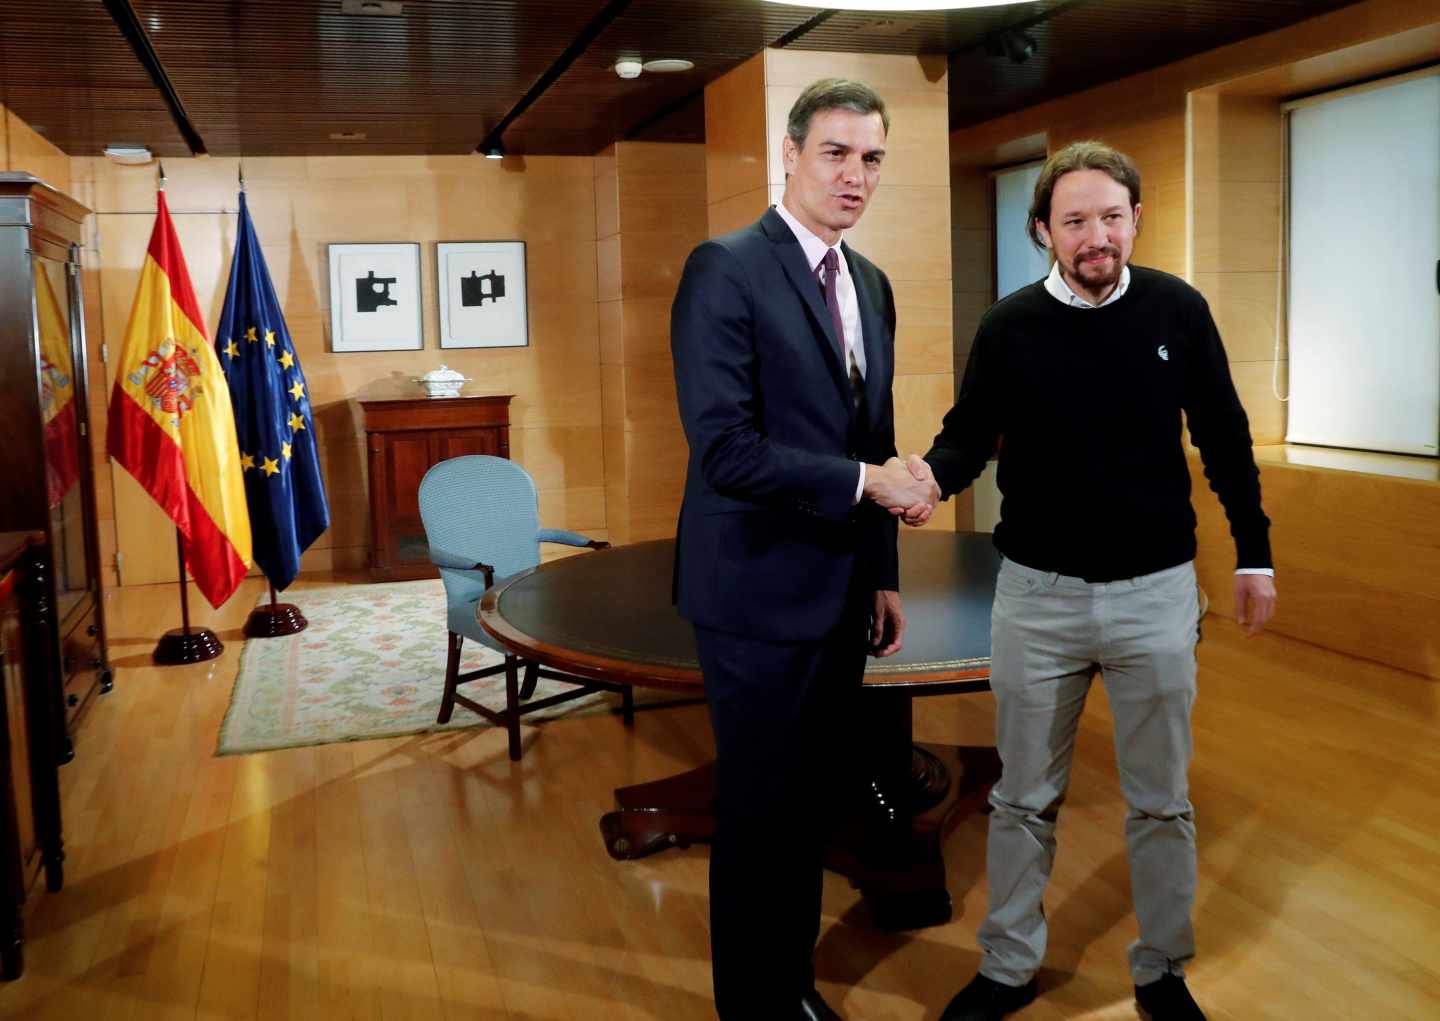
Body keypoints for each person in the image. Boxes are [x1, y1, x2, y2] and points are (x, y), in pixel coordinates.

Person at [905, 140, 1277, 1021]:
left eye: (1112, 216)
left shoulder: (1178, 311)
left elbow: (1224, 437)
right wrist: (925, 477)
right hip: (1037, 597)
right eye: (1075, 221)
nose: (1097, 235)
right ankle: (1007, 966)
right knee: (1022, 797)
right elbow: (967, 436)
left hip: (1156, 593)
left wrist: (1254, 551)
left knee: (1161, 801)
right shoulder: (1007, 326)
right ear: (1044, 232)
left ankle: (1162, 970)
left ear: (1136, 220)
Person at [670, 78, 937, 1021]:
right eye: (835, 152)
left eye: (871, 158)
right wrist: (872, 485)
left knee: (808, 811)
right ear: (788, 154)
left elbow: (875, 430)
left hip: (837, 590)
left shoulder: (870, 282)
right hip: (751, 593)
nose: (854, 175)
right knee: (759, 817)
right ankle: (756, 1005)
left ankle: (790, 986)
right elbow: (727, 449)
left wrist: (883, 570)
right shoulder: (726, 267)